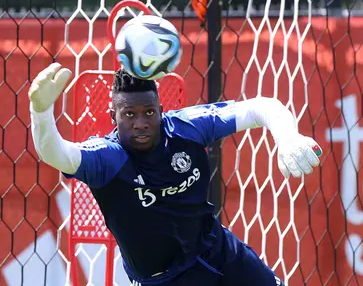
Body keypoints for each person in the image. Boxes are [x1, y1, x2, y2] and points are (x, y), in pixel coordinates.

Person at [29, 63, 322, 286]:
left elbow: (261, 107)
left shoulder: (186, 128)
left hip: (219, 253)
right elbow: (57, 154)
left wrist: (287, 137)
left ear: (160, 110)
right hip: (165, 280)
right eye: (129, 114)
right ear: (113, 117)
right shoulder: (108, 158)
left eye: (149, 112)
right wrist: (40, 112)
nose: (141, 123)